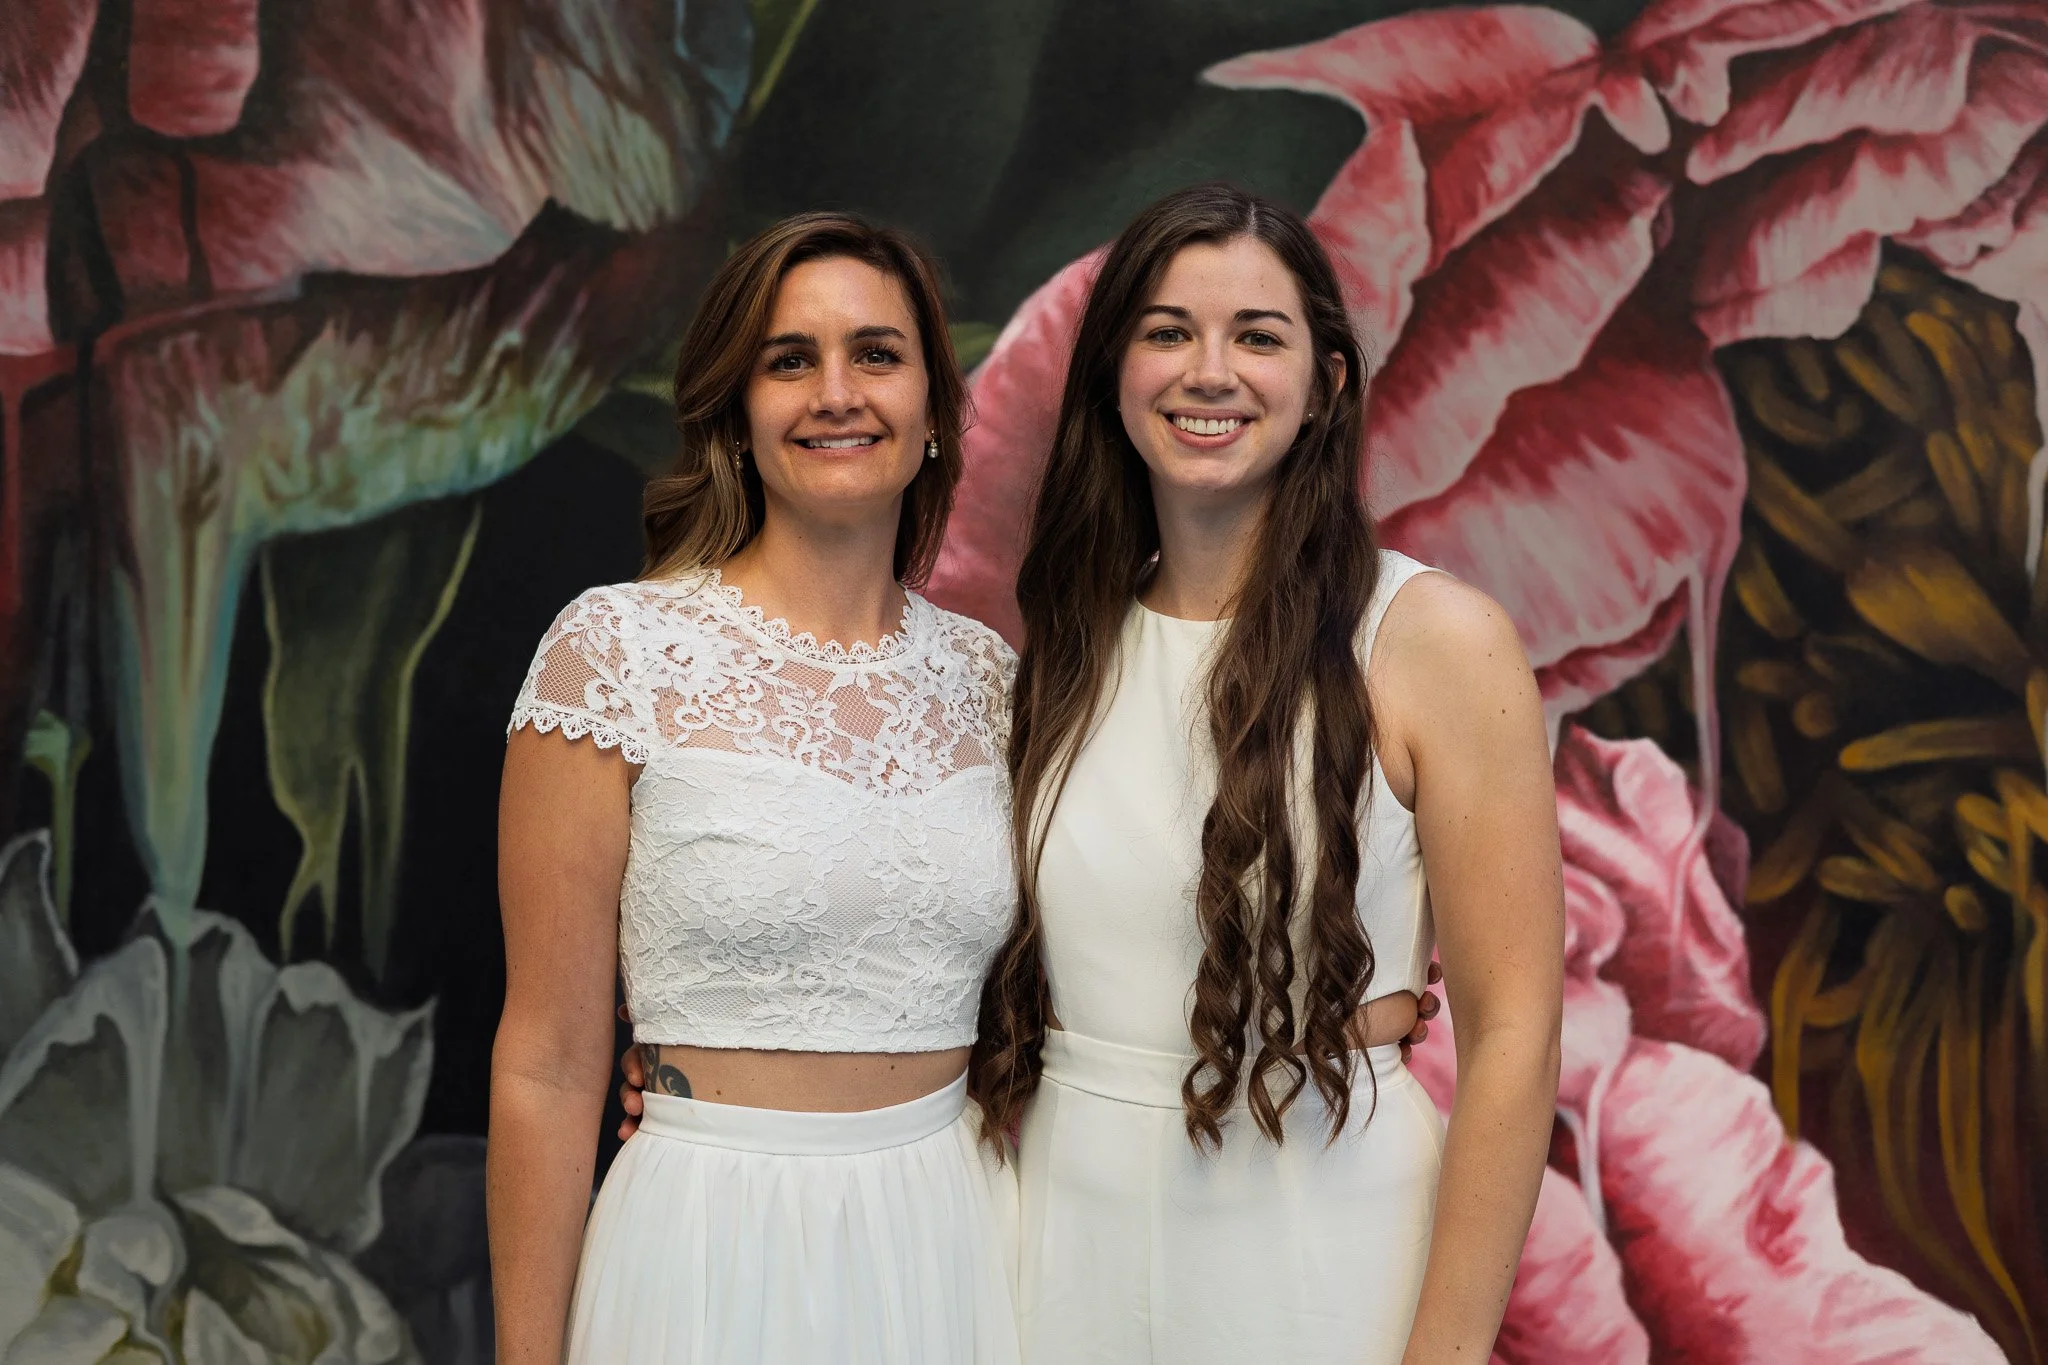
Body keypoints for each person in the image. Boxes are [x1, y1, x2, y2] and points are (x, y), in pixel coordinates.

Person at [969, 182, 1565, 1363]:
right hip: (1058, 1234)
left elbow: (1515, 1037)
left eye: (1256, 335)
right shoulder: (1057, 650)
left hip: (1325, 1234)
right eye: (1165, 332)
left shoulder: (1431, 639)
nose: (1209, 371)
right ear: (1110, 375)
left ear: (1324, 383)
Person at [488, 212, 1023, 1364]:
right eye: (791, 360)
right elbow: (545, 1061)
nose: (836, 392)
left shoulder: (991, 680)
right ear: (736, 411)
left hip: (956, 1239)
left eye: (875, 355)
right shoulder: (614, 653)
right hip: (706, 1244)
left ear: (934, 408)